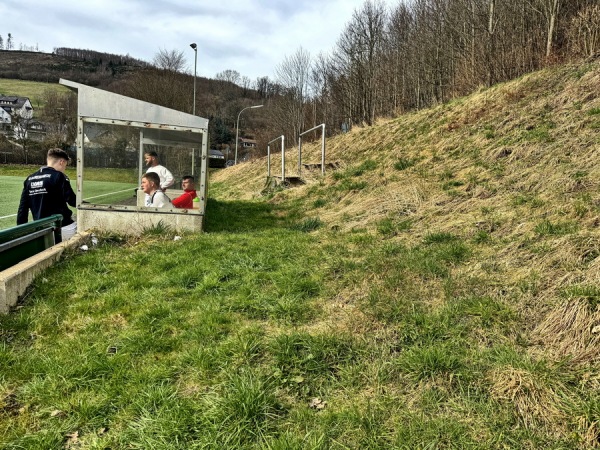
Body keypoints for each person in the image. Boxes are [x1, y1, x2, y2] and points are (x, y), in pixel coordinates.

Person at [17, 147, 77, 241]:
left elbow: (22, 210)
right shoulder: (59, 176)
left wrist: (21, 233)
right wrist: (86, 205)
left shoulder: (29, 179)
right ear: (61, 162)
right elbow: (72, 201)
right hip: (63, 227)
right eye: (65, 165)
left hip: (41, 231)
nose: (64, 169)